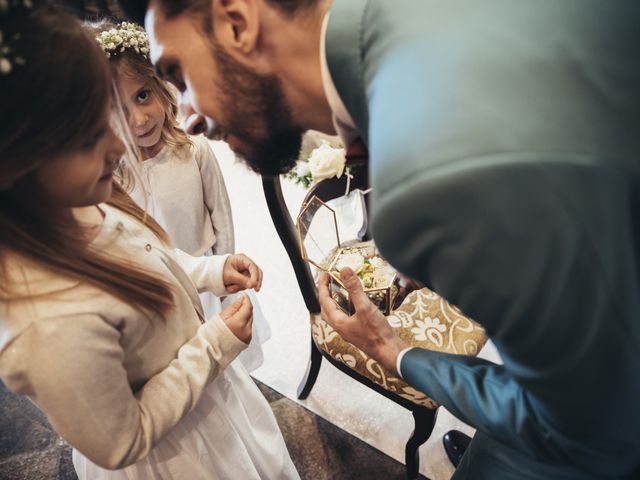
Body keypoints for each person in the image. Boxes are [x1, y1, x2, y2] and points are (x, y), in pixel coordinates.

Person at [116, 1, 640, 478]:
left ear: (237, 22)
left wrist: (399, 354)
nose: (188, 115)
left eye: (177, 75)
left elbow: (579, 427)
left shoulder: (423, 185)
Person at [0, 3, 299, 479]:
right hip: (177, 455)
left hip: (210, 398)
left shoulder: (85, 196)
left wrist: (207, 270)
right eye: (90, 134)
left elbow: (147, 255)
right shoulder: (46, 325)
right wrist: (214, 346)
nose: (120, 145)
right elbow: (122, 440)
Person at [94, 20, 270, 371]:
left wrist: (227, 273)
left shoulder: (193, 149)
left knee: (230, 355)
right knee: (193, 364)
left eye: (143, 95)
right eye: (119, 110)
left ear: (160, 86)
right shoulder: (111, 175)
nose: (140, 119)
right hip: (163, 293)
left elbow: (221, 216)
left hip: (211, 281)